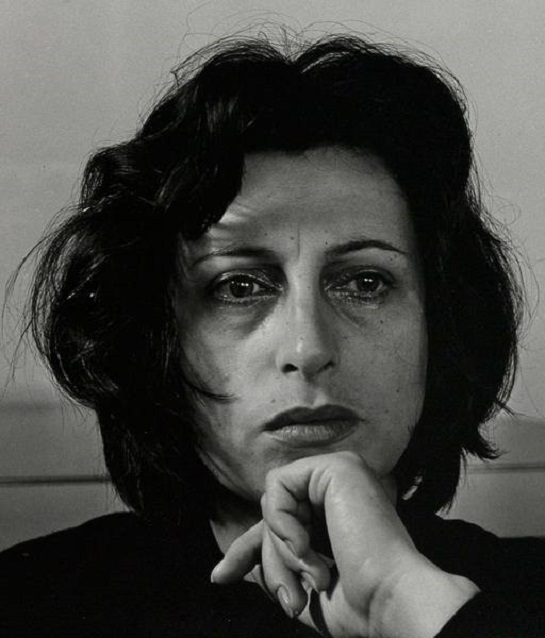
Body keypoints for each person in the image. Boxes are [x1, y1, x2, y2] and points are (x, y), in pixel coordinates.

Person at [2, 32, 544, 637]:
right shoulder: (29, 606)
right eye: (238, 287)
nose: (308, 349)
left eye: (365, 282)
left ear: (439, 327)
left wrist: (409, 603)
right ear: (156, 339)